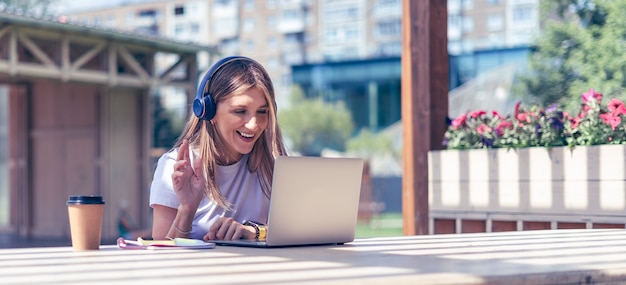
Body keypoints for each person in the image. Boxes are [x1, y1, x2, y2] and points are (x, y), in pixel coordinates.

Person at [149, 56, 288, 241]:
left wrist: (253, 232)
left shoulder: (272, 166)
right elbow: (160, 256)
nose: (254, 125)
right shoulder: (175, 167)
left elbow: (296, 230)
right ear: (209, 111)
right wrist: (187, 210)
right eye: (240, 111)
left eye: (262, 112)